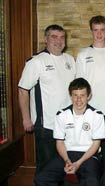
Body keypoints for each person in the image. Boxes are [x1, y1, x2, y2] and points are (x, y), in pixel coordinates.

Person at [18, 24, 76, 173]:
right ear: (46, 39)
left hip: (67, 125)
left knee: (64, 168)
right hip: (46, 127)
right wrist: (26, 119)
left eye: (62, 37)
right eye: (54, 37)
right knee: (46, 170)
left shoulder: (70, 60)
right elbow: (23, 90)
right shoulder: (36, 61)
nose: (59, 41)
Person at [34, 78, 105, 186]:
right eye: (75, 95)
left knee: (91, 182)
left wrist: (78, 163)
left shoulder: (97, 115)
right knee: (41, 178)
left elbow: (96, 144)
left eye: (82, 95)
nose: (78, 100)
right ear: (70, 96)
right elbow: (60, 143)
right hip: (66, 155)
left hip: (89, 156)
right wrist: (67, 161)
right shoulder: (61, 115)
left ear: (88, 96)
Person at [76, 15, 105, 115]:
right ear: (91, 31)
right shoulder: (83, 54)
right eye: (95, 30)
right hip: (88, 108)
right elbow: (79, 85)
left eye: (102, 30)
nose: (99, 33)